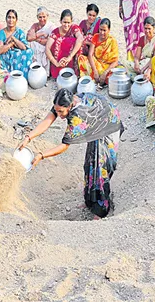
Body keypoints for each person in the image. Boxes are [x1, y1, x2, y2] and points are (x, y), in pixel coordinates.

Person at [17, 89, 123, 219]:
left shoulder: (77, 117)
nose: (59, 115)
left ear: (70, 106)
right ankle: (89, 201)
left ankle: (100, 210)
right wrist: (28, 137)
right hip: (96, 122)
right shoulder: (63, 101)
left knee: (101, 168)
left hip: (109, 124)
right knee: (90, 164)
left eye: (61, 112)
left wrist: (41, 155)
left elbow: (64, 146)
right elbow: (48, 120)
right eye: (57, 111)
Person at [78, 19, 119, 85]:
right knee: (81, 58)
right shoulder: (96, 37)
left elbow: (115, 61)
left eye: (104, 30)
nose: (102, 33)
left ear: (109, 30)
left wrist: (105, 72)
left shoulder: (112, 41)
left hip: (108, 67)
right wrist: (95, 71)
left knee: (119, 73)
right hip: (97, 64)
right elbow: (90, 55)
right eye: (100, 30)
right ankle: (96, 77)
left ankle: (98, 78)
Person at [46, 9, 84, 79]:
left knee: (77, 42)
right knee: (58, 42)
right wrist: (56, 63)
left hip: (71, 58)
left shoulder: (74, 28)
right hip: (59, 62)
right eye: (64, 22)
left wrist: (69, 57)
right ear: (60, 21)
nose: (66, 25)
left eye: (68, 22)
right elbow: (47, 48)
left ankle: (75, 70)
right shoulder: (55, 32)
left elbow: (80, 38)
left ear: (71, 22)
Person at [0, 9, 34, 79]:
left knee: (29, 52)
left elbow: (24, 47)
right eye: (9, 17)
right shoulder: (2, 33)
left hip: (18, 55)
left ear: (16, 20)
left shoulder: (19, 32)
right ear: (6, 19)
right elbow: (0, 50)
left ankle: (23, 77)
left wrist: (13, 38)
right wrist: (11, 44)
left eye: (13, 18)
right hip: (6, 55)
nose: (11, 20)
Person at [27, 7, 56, 74]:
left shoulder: (51, 26)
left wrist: (35, 38)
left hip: (47, 47)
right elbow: (28, 38)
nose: (42, 19)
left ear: (47, 16)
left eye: (44, 17)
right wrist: (41, 34)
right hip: (37, 46)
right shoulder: (35, 25)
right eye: (40, 17)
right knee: (31, 44)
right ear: (37, 17)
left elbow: (50, 41)